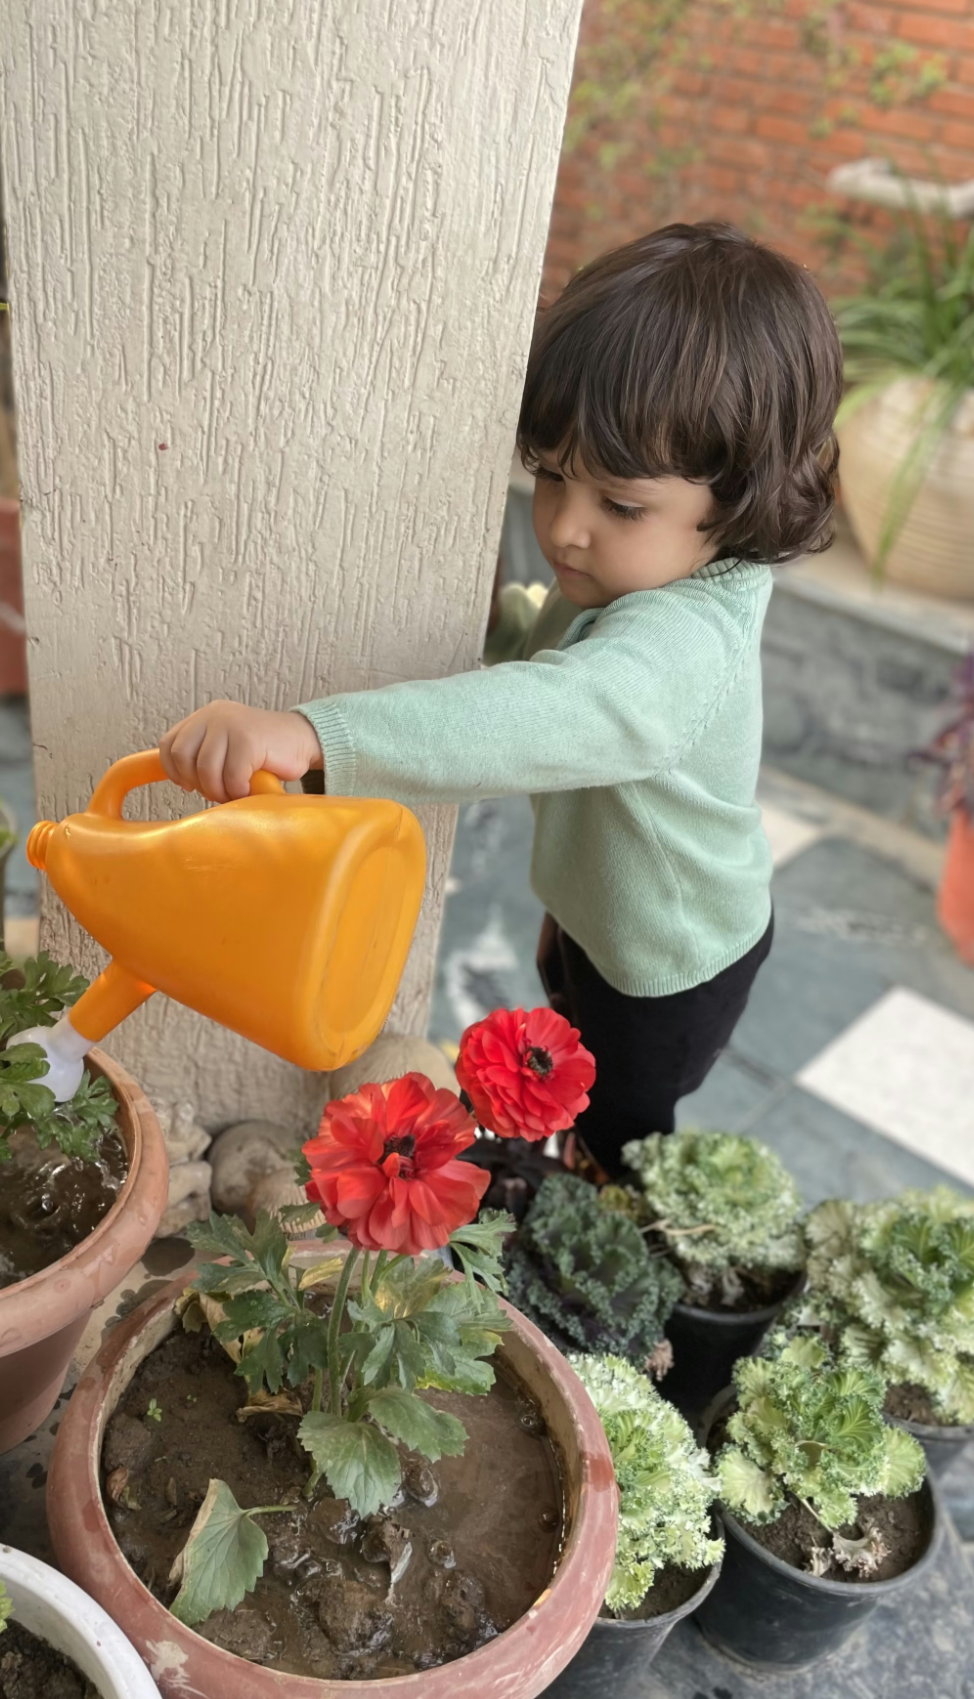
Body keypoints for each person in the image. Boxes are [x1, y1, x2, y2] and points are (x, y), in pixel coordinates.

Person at [156, 221, 844, 1174]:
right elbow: (551, 641)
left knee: (622, 1131)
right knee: (571, 1028)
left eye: (621, 505)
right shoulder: (654, 581)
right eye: (551, 476)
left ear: (738, 503)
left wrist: (313, 734)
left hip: (672, 967)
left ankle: (609, 1232)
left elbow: (550, 709)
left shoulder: (682, 645)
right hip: (609, 919)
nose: (564, 526)